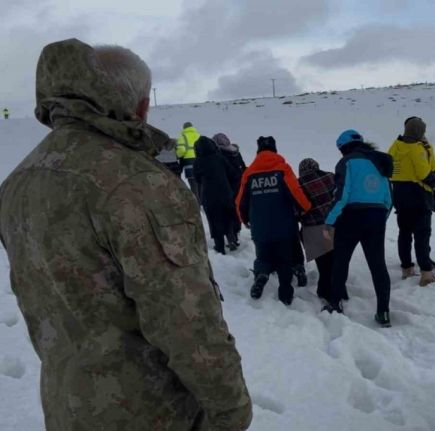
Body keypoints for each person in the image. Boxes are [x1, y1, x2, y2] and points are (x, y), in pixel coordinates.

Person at [0, 39, 252, 430]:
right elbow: (186, 321)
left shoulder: (18, 183)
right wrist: (231, 410)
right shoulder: (136, 183)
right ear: (141, 106)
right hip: (150, 413)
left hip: (67, 406)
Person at [324, 130, 393, 326]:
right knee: (378, 266)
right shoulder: (379, 161)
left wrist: (329, 221)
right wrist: (381, 218)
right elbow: (389, 198)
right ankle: (383, 312)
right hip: (377, 217)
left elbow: (341, 195)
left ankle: (335, 303)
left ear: (344, 147)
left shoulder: (347, 162)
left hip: (351, 217)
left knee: (341, 261)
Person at [236, 136, 311, 305]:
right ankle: (285, 293)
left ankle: (261, 275)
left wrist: (245, 219)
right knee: (285, 259)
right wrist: (305, 207)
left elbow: (240, 202)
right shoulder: (283, 169)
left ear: (258, 150)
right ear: (275, 149)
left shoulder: (249, 173)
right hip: (284, 226)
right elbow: (296, 193)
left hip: (260, 226)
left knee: (263, 256)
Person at [388, 116, 435, 286]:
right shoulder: (416, 148)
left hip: (400, 196)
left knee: (404, 233)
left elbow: (388, 169)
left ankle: (407, 269)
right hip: (419, 197)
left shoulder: (395, 147)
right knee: (422, 235)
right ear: (419, 131)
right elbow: (423, 173)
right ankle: (426, 273)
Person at [298, 158, 338, 303]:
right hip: (333, 227)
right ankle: (338, 290)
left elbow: (296, 210)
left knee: (323, 266)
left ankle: (325, 293)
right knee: (335, 263)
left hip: (312, 230)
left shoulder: (298, 184)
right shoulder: (331, 177)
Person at [194, 136, 241, 254]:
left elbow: (197, 179)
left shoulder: (198, 162)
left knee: (214, 220)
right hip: (225, 192)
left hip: (209, 196)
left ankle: (219, 246)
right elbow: (232, 173)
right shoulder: (220, 158)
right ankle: (232, 239)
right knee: (227, 215)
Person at [213, 132, 246, 249]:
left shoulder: (219, 155)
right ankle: (236, 232)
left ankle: (232, 237)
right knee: (237, 210)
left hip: (226, 187)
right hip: (239, 186)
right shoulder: (236, 152)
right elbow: (243, 168)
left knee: (227, 212)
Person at [176, 121, 201, 201]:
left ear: (184, 128)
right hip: (200, 163)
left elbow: (181, 150)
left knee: (193, 185)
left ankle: (196, 203)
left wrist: (177, 156)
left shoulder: (183, 137)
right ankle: (202, 202)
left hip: (189, 164)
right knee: (200, 185)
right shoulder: (199, 136)